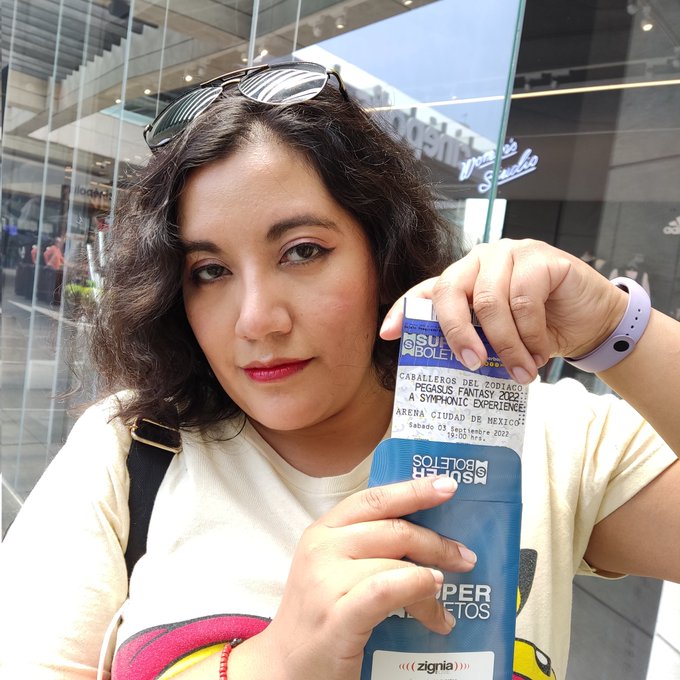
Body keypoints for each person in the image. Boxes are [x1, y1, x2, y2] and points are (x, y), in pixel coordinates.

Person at [0, 61, 678, 680]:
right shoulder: (130, 451)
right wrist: (276, 664)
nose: (256, 320)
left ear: (383, 254)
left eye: (301, 251)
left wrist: (616, 330)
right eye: (210, 271)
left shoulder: (545, 440)